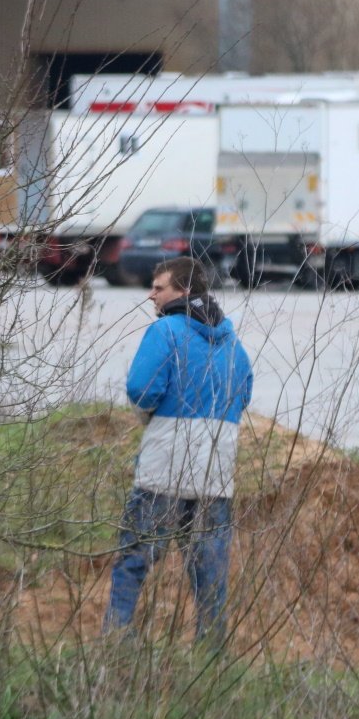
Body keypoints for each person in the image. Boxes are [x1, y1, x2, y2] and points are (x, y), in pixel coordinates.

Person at [104, 256, 254, 644]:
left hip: (163, 470)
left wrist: (151, 415)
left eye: (159, 287)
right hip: (215, 476)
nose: (151, 295)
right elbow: (244, 394)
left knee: (134, 558)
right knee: (210, 573)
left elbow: (142, 389)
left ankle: (117, 638)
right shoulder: (233, 344)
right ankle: (210, 648)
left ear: (184, 291)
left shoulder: (165, 332)